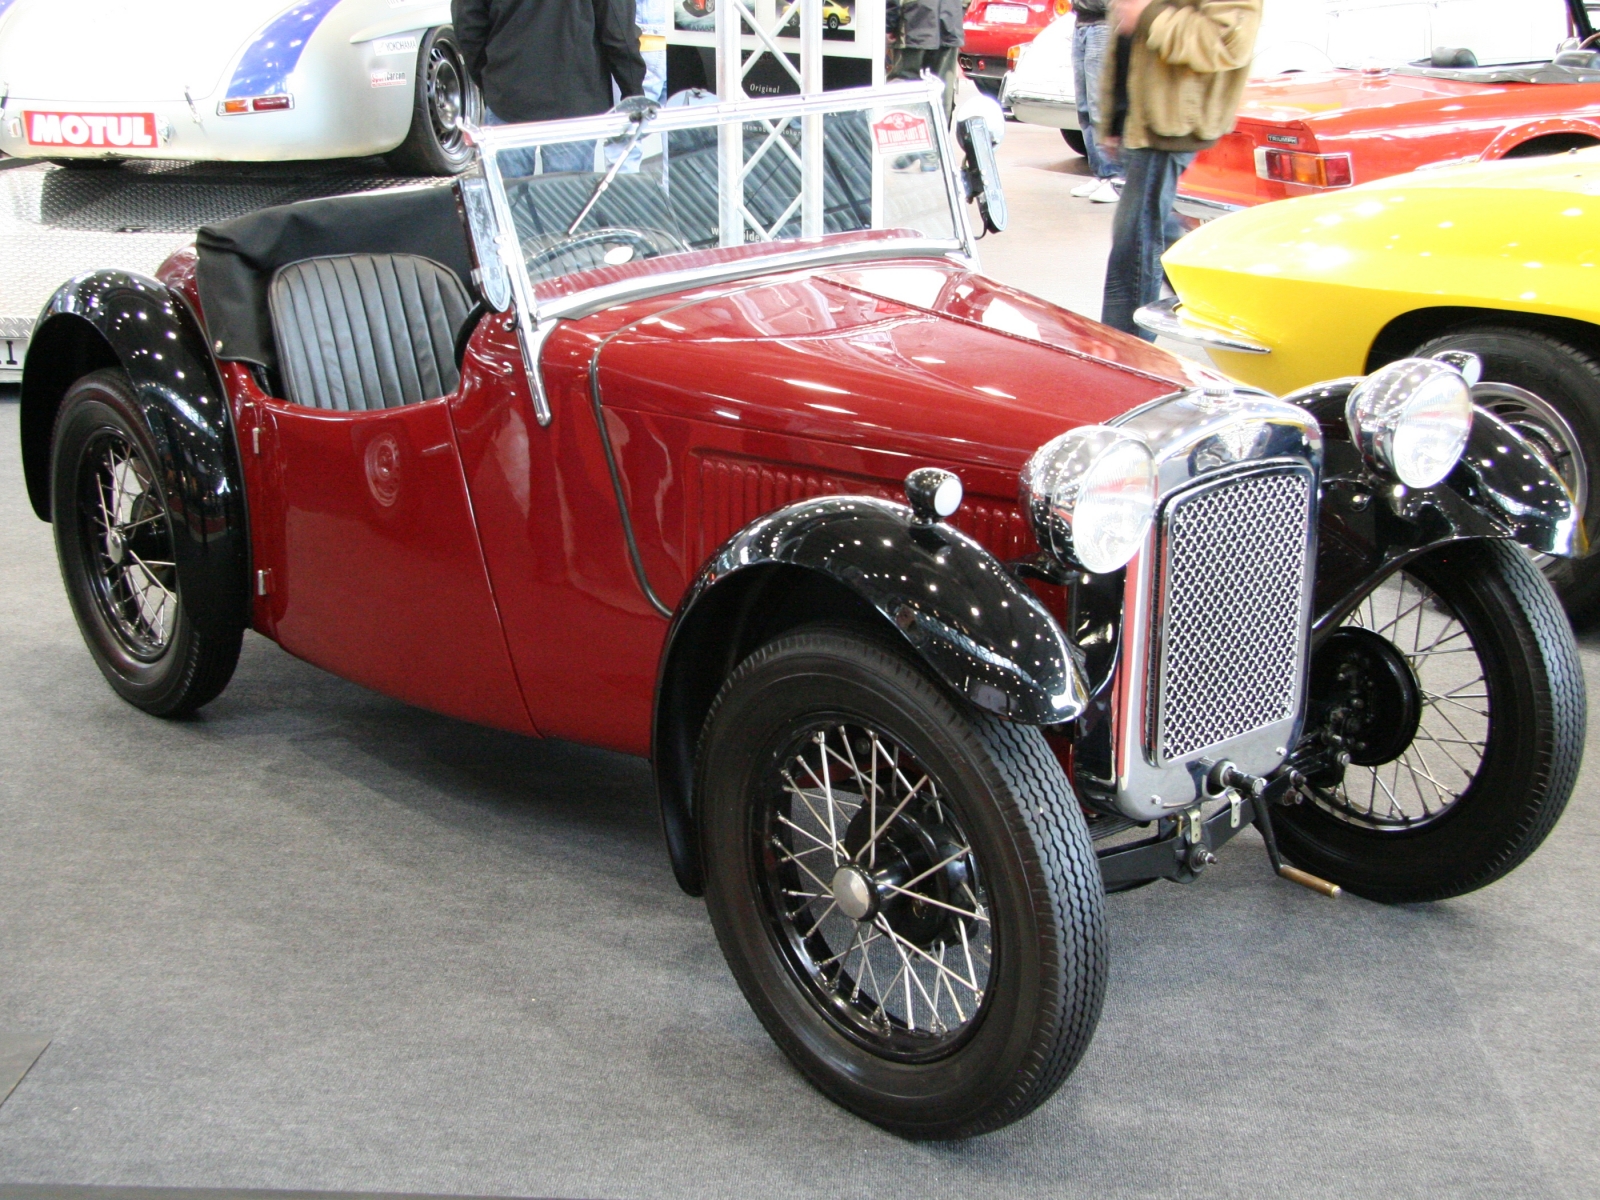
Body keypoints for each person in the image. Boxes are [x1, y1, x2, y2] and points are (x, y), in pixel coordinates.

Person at [1098, 0, 1261, 338]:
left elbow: (1228, 43)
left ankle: (1126, 354)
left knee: (1134, 244)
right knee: (1157, 228)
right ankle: (1228, 308)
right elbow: (1127, 39)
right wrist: (1114, 118)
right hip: (1139, 120)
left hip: (1170, 122)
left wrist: (1149, 14)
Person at [453, 0, 648, 173]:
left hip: (510, 93)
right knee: (565, 204)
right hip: (574, 99)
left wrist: (489, 79)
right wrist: (633, 92)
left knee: (507, 201)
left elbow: (468, 22)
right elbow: (618, 31)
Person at [1068, 0, 1120, 204]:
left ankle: (1115, 176)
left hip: (1103, 24)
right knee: (1084, 107)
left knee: (1101, 105)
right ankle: (1101, 173)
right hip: (1081, 22)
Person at [888, 0, 965, 124]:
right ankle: (939, 139)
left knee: (904, 82)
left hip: (914, 19)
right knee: (942, 87)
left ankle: (901, 135)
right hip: (949, 17)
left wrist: (889, 21)